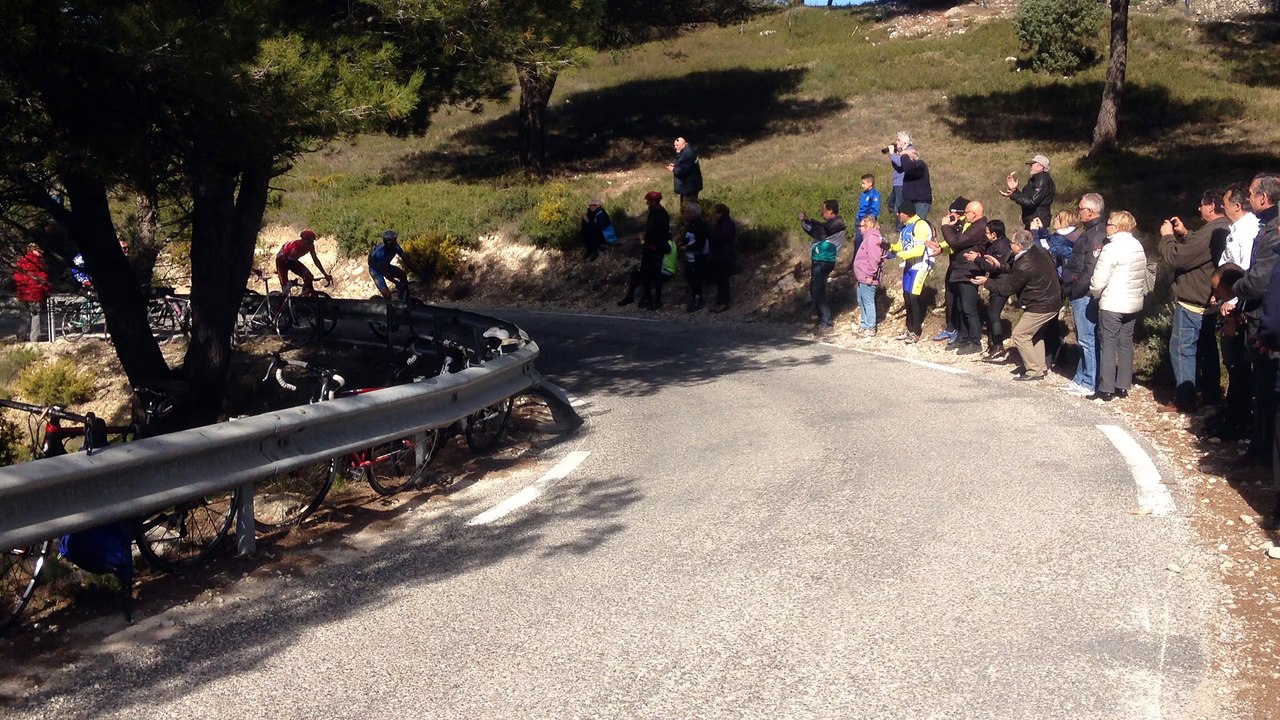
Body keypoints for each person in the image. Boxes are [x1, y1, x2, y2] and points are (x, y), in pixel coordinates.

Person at [1220, 173, 1280, 464]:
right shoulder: (1266, 227)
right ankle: (1258, 448)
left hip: (1266, 320)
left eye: (1252, 193)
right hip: (1259, 314)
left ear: (1263, 198)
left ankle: (1262, 455)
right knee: (1262, 387)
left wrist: (1235, 288)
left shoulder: (1272, 231)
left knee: (1266, 391)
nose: (1248, 198)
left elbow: (1260, 279)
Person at [1157, 189, 1231, 413]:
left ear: (1211, 206)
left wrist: (1167, 237)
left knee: (1182, 348)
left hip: (1193, 301)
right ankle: (1211, 395)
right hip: (1210, 299)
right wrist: (1186, 233)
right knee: (1207, 348)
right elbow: (1201, 252)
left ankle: (1185, 399)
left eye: (1202, 204)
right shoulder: (1225, 228)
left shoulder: (1210, 231)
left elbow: (1177, 257)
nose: (1199, 208)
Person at [971, 229, 1061, 380]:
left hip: (1040, 305)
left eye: (1012, 243)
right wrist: (1000, 265)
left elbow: (1007, 288)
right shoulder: (1038, 253)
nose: (1009, 245)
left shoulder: (1024, 264)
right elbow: (1018, 272)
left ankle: (1034, 370)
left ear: (1019, 246)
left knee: (1020, 335)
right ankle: (1040, 366)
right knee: (1034, 334)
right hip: (1051, 301)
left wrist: (986, 282)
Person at [1211, 183, 1261, 441]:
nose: (1222, 207)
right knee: (1232, 362)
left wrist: (1233, 301)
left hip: (1236, 303)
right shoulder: (1237, 229)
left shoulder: (1248, 231)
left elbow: (1244, 270)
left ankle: (1240, 419)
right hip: (1228, 296)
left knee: (1238, 363)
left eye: (1226, 202)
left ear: (1237, 205)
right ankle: (1232, 413)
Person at [1089, 211, 1149, 402]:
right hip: (1133, 303)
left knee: (1108, 344)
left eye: (1109, 224)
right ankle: (1123, 385)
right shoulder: (1138, 246)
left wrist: (1095, 294)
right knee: (1125, 344)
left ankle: (1105, 388)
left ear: (1117, 227)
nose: (1106, 227)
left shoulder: (1111, 248)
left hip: (1113, 302)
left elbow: (1099, 280)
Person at [1060, 193, 1108, 397]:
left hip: (1084, 294)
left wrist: (1075, 289)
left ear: (1090, 211)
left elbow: (1090, 269)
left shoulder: (1096, 234)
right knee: (1083, 338)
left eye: (1080, 209)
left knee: (1088, 339)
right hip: (1078, 292)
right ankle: (1080, 377)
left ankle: (1089, 382)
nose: (1077, 212)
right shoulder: (1089, 231)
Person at [939, 199, 989, 354]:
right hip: (960, 270)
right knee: (960, 306)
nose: (964, 215)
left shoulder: (979, 227)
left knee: (969, 307)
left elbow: (957, 242)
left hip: (969, 271)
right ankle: (963, 337)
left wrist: (945, 226)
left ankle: (975, 341)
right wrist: (953, 227)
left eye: (966, 212)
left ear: (974, 213)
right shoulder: (971, 225)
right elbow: (956, 240)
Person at [888, 201, 935, 343]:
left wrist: (900, 254)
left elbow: (919, 250)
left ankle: (916, 331)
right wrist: (889, 247)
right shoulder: (905, 228)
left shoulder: (920, 225)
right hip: (909, 265)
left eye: (899, 213)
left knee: (913, 297)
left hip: (921, 265)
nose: (897, 215)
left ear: (906, 213)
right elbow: (900, 245)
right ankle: (909, 329)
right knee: (906, 296)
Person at [618, 191, 672, 310]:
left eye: (649, 201)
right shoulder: (652, 213)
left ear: (655, 202)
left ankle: (657, 300)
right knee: (644, 272)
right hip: (648, 247)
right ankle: (646, 297)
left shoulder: (662, 215)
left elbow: (661, 235)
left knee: (656, 275)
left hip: (656, 249)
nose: (647, 203)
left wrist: (657, 248)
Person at [799, 199, 847, 330]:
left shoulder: (837, 223)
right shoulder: (831, 224)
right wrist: (807, 221)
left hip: (825, 260)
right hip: (819, 259)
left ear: (830, 211)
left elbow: (819, 231)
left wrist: (805, 221)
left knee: (818, 290)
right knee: (814, 290)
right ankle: (821, 319)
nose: (822, 212)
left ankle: (826, 321)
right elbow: (818, 227)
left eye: (823, 210)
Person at [971, 219, 1013, 359]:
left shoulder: (1002, 246)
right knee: (991, 313)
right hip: (996, 281)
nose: (985, 234)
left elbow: (993, 266)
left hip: (1002, 282)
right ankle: (992, 345)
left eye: (987, 232)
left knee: (993, 314)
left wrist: (976, 260)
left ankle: (998, 346)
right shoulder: (995, 244)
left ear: (994, 234)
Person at [932, 196, 970, 344]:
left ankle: (960, 331)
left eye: (952, 213)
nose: (949, 216)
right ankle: (950, 328)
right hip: (953, 266)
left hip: (964, 268)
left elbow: (957, 243)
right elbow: (950, 244)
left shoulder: (967, 226)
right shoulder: (954, 225)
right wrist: (940, 248)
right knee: (950, 298)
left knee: (960, 301)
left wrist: (947, 227)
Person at [1001, 153, 1057, 229]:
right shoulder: (1036, 179)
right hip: (1034, 220)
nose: (1030, 166)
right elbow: (1026, 197)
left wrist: (1013, 195)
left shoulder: (1042, 181)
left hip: (1037, 222)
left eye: (1032, 164)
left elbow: (1032, 202)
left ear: (1040, 167)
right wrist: (1014, 190)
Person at [851, 215, 886, 335]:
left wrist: (870, 274)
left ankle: (870, 326)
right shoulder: (867, 238)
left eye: (861, 226)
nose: (859, 228)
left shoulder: (872, 239)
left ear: (867, 226)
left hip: (867, 277)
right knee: (861, 300)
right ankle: (864, 323)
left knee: (868, 301)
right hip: (861, 277)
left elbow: (874, 258)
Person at [276, 228, 331, 296]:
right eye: (309, 242)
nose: (310, 244)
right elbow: (291, 264)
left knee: (308, 276)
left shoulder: (311, 246)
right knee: (285, 289)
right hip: (281, 261)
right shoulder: (296, 246)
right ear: (303, 240)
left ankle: (304, 295)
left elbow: (315, 260)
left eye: (312, 242)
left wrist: (324, 274)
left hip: (292, 260)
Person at [14, 243, 49, 342]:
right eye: (38, 251)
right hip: (35, 293)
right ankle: (34, 338)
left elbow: (16, 277)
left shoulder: (22, 261)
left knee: (24, 316)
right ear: (33, 250)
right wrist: (46, 289)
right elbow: (43, 278)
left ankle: (21, 337)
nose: (40, 253)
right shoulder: (37, 263)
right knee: (35, 316)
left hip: (23, 293)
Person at [679, 202, 710, 312]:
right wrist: (682, 243)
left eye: (688, 212)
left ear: (694, 213)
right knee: (690, 278)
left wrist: (687, 247)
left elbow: (701, 242)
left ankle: (698, 299)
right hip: (688, 257)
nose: (686, 214)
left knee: (697, 279)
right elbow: (686, 238)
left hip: (698, 257)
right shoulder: (689, 225)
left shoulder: (701, 226)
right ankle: (694, 298)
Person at [707, 203, 736, 313]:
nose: (714, 215)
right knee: (718, 280)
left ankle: (724, 302)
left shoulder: (728, 224)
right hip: (718, 256)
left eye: (716, 213)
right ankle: (719, 301)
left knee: (723, 280)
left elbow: (722, 238)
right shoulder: (720, 224)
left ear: (721, 213)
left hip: (724, 256)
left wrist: (713, 238)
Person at [368, 229, 411, 299]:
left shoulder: (396, 247)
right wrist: (396, 282)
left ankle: (402, 297)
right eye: (394, 241)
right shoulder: (380, 253)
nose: (396, 242)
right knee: (387, 295)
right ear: (388, 243)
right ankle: (387, 304)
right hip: (376, 271)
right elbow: (385, 273)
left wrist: (420, 273)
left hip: (386, 266)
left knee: (403, 275)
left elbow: (407, 261)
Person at [898, 144, 933, 221]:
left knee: (918, 224)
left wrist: (904, 156)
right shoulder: (910, 166)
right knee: (909, 225)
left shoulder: (920, 164)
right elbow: (899, 167)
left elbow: (909, 169)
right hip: (910, 201)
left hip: (920, 201)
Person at [667, 137, 702, 211]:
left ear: (683, 144)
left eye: (677, 145)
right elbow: (681, 161)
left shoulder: (688, 154)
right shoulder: (685, 151)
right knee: (685, 207)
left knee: (689, 210)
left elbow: (684, 170)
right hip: (687, 187)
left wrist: (673, 169)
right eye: (674, 145)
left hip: (690, 188)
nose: (675, 147)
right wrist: (675, 164)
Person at [887, 131, 913, 229]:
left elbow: (900, 163)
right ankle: (895, 223)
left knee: (898, 206)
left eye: (898, 140)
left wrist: (892, 154)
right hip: (897, 182)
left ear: (905, 141)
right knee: (891, 203)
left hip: (902, 182)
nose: (896, 142)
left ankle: (900, 228)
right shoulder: (902, 151)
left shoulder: (909, 150)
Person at [854, 173, 882, 253]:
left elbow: (875, 210)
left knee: (866, 242)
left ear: (870, 183)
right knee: (857, 242)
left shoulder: (875, 195)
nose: (862, 185)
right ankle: (856, 259)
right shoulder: (863, 194)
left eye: (864, 183)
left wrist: (868, 221)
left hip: (867, 222)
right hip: (859, 220)